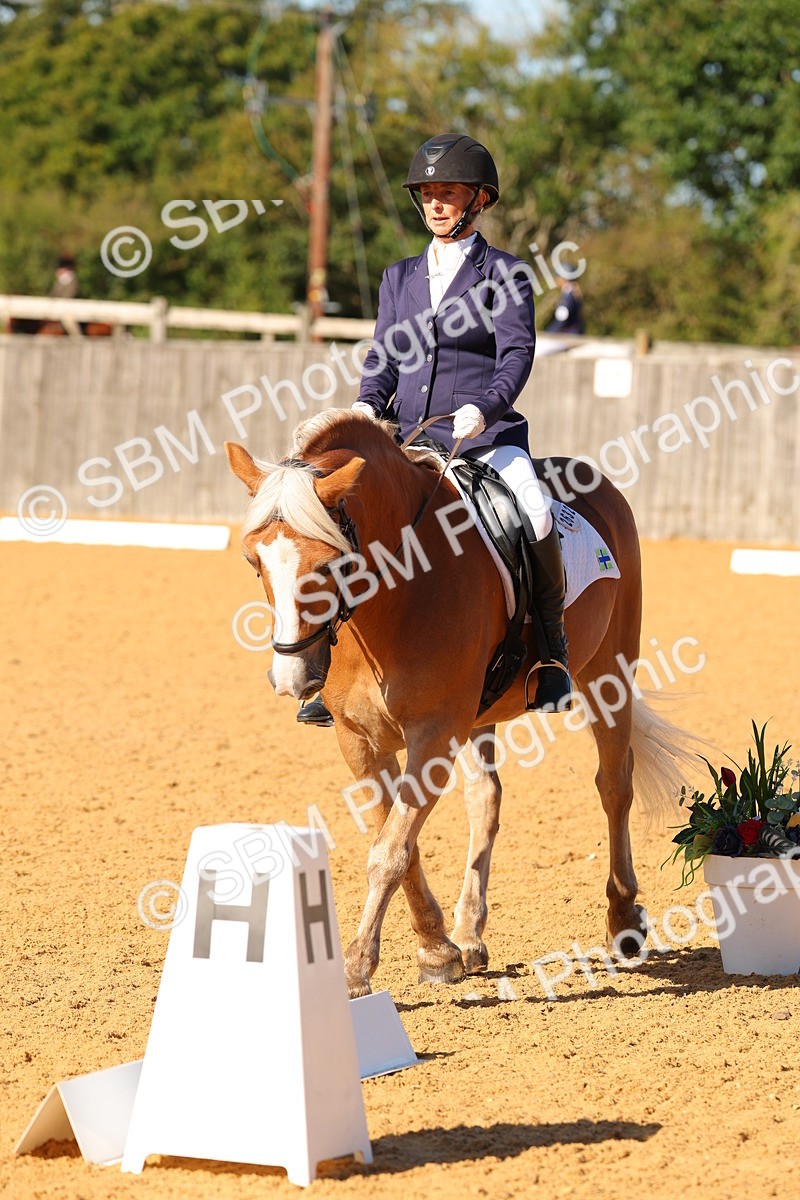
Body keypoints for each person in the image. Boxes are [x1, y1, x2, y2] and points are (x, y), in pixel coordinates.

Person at [297, 132, 572, 726]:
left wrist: (487, 409)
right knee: (348, 523)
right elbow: (383, 359)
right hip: (409, 442)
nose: (436, 204)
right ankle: (330, 668)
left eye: (449, 193)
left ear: (479, 200)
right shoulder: (398, 278)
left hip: (485, 439)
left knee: (535, 510)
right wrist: (368, 406)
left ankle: (552, 653)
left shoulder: (507, 275)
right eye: (428, 194)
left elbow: (516, 355)